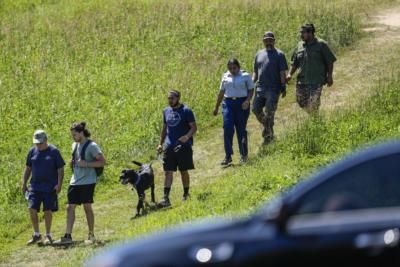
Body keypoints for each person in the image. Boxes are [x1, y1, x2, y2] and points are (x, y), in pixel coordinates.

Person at [56, 122, 106, 245]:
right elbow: (76, 159)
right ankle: (68, 235)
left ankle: (91, 234)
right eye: (72, 135)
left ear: (81, 133)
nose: (73, 137)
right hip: (75, 181)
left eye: (75, 135)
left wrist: (87, 164)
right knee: (69, 207)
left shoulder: (92, 146)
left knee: (87, 207)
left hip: (88, 181)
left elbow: (102, 162)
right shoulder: (74, 145)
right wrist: (72, 162)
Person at [22, 130, 65, 245]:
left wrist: (59, 184)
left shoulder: (54, 151)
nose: (38, 145)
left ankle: (48, 234)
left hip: (50, 187)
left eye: (40, 143)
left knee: (47, 210)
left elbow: (60, 169)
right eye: (36, 143)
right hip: (35, 187)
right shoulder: (32, 151)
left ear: (46, 140)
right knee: (31, 208)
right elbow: (28, 168)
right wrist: (24, 183)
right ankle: (36, 234)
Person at [157, 90, 197, 207]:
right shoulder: (166, 111)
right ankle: (166, 198)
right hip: (169, 146)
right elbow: (164, 129)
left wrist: (187, 136)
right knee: (168, 172)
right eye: (169, 98)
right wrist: (160, 144)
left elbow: (194, 127)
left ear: (178, 98)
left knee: (183, 171)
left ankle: (186, 194)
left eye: (172, 98)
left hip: (182, 146)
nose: (170, 100)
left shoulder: (186, 111)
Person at [287, 23, 337, 114]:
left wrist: (329, 76)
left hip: (316, 81)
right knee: (300, 101)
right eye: (300, 33)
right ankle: (314, 117)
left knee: (314, 103)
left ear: (310, 33)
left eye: (303, 33)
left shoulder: (321, 44)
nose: (301, 35)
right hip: (302, 81)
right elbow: (294, 63)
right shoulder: (299, 45)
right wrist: (290, 74)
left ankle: (315, 121)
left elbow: (330, 61)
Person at [213, 58, 254, 165]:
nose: (232, 70)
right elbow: (221, 92)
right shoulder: (225, 76)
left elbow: (251, 89)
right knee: (227, 128)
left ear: (238, 67)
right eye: (230, 68)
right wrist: (216, 107)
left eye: (234, 68)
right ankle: (228, 156)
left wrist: (247, 100)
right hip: (228, 104)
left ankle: (243, 155)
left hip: (241, 104)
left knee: (241, 129)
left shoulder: (245, 75)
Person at [252, 31, 288, 144]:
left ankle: (268, 136)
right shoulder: (258, 54)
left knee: (269, 112)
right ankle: (269, 127)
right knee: (255, 109)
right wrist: (250, 83)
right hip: (260, 88)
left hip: (273, 89)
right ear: (263, 41)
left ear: (274, 41)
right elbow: (255, 72)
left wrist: (283, 86)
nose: (268, 42)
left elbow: (282, 72)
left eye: (270, 40)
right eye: (266, 40)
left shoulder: (280, 55)